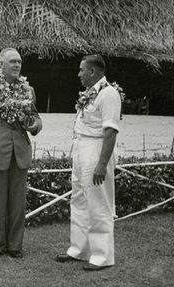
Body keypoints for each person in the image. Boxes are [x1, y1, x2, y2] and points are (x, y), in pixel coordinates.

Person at [55, 54, 121, 271]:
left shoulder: (108, 94)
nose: (79, 74)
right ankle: (79, 249)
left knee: (99, 202)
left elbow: (110, 132)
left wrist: (101, 164)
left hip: (96, 150)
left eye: (82, 70)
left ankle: (102, 256)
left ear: (93, 71)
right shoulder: (90, 93)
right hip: (81, 149)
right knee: (79, 200)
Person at [0, 48, 42, 258]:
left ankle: (15, 246)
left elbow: (37, 121)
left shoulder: (28, 91)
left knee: (18, 204)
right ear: (1, 65)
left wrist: (32, 125)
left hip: (20, 154)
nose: (17, 65)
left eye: (20, 62)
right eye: (12, 62)